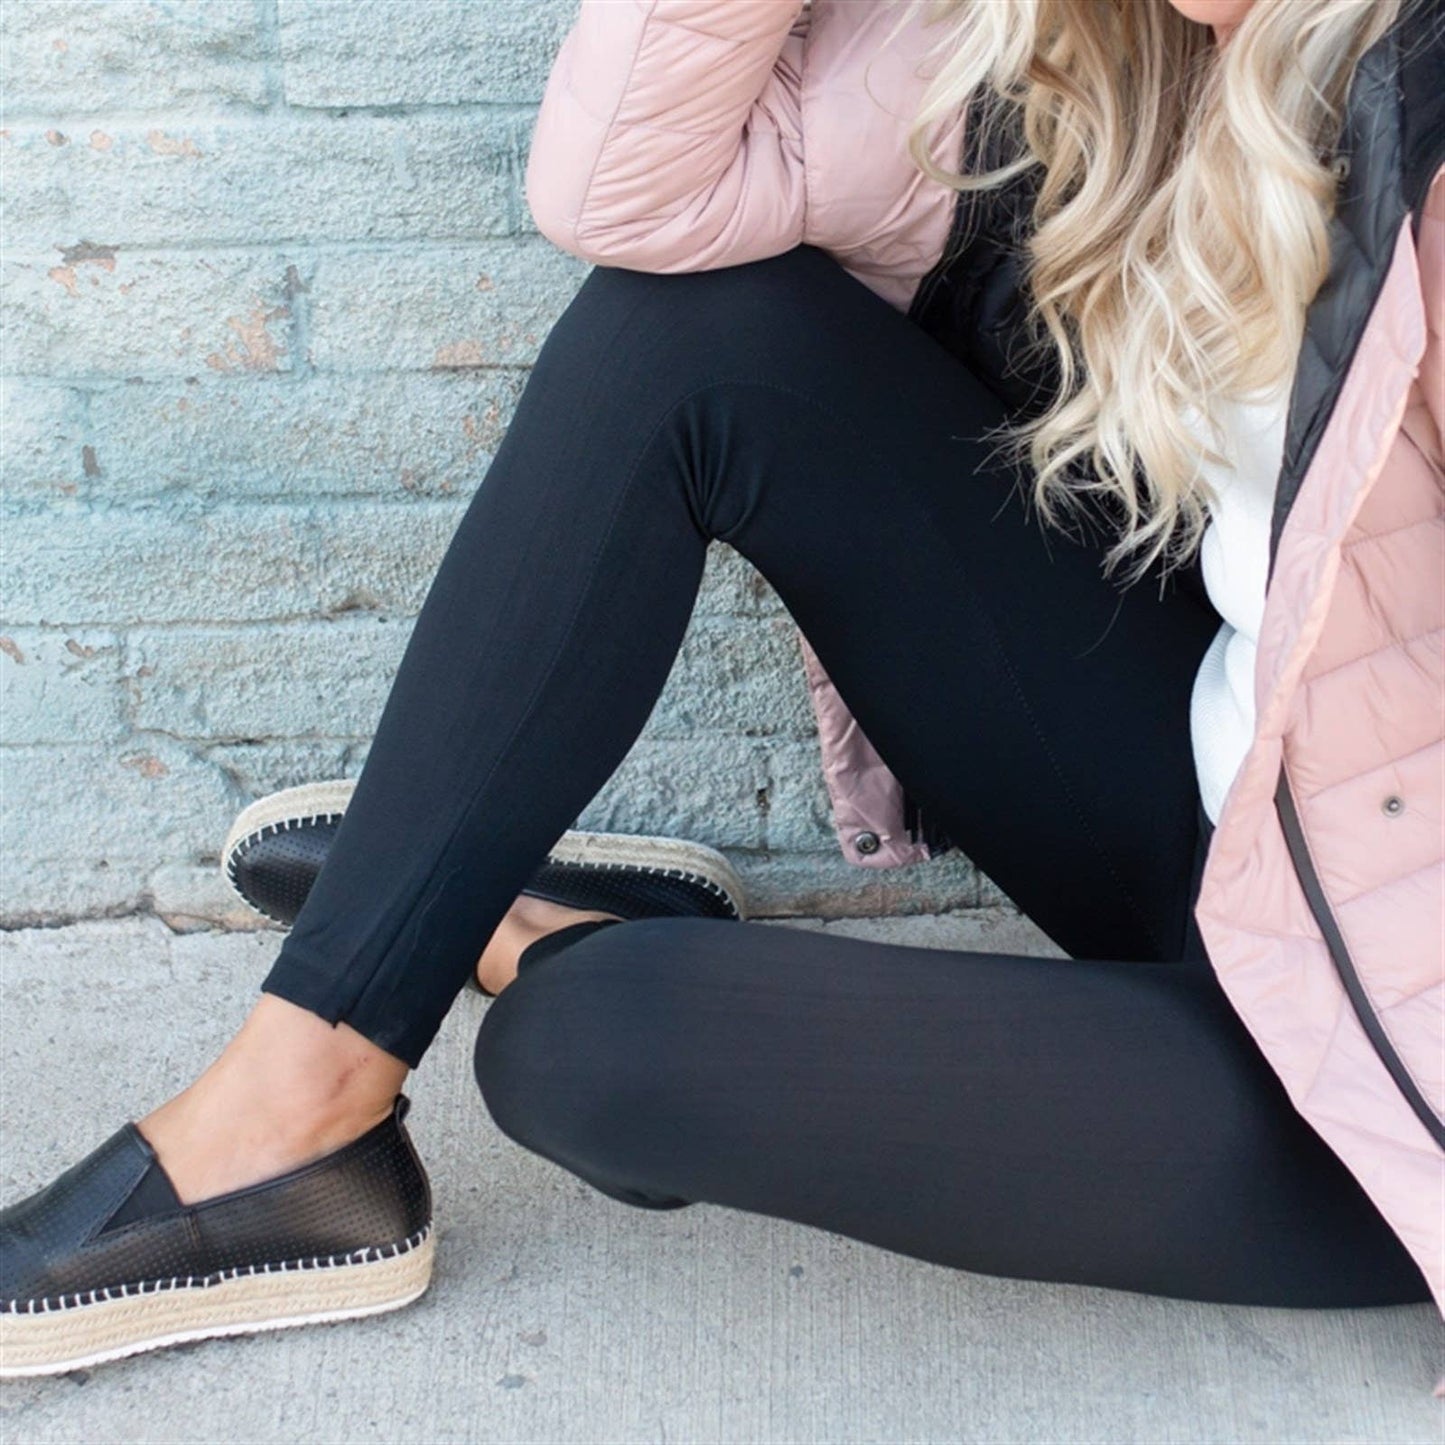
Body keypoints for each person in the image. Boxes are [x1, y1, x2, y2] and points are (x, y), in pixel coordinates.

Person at [3, 0, 1441, 1383]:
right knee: (695, 338)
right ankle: (299, 1103)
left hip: (1371, 1070)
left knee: (588, 1049)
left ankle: (510, 921)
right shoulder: (1132, 52)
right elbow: (632, 187)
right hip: (1235, 815)